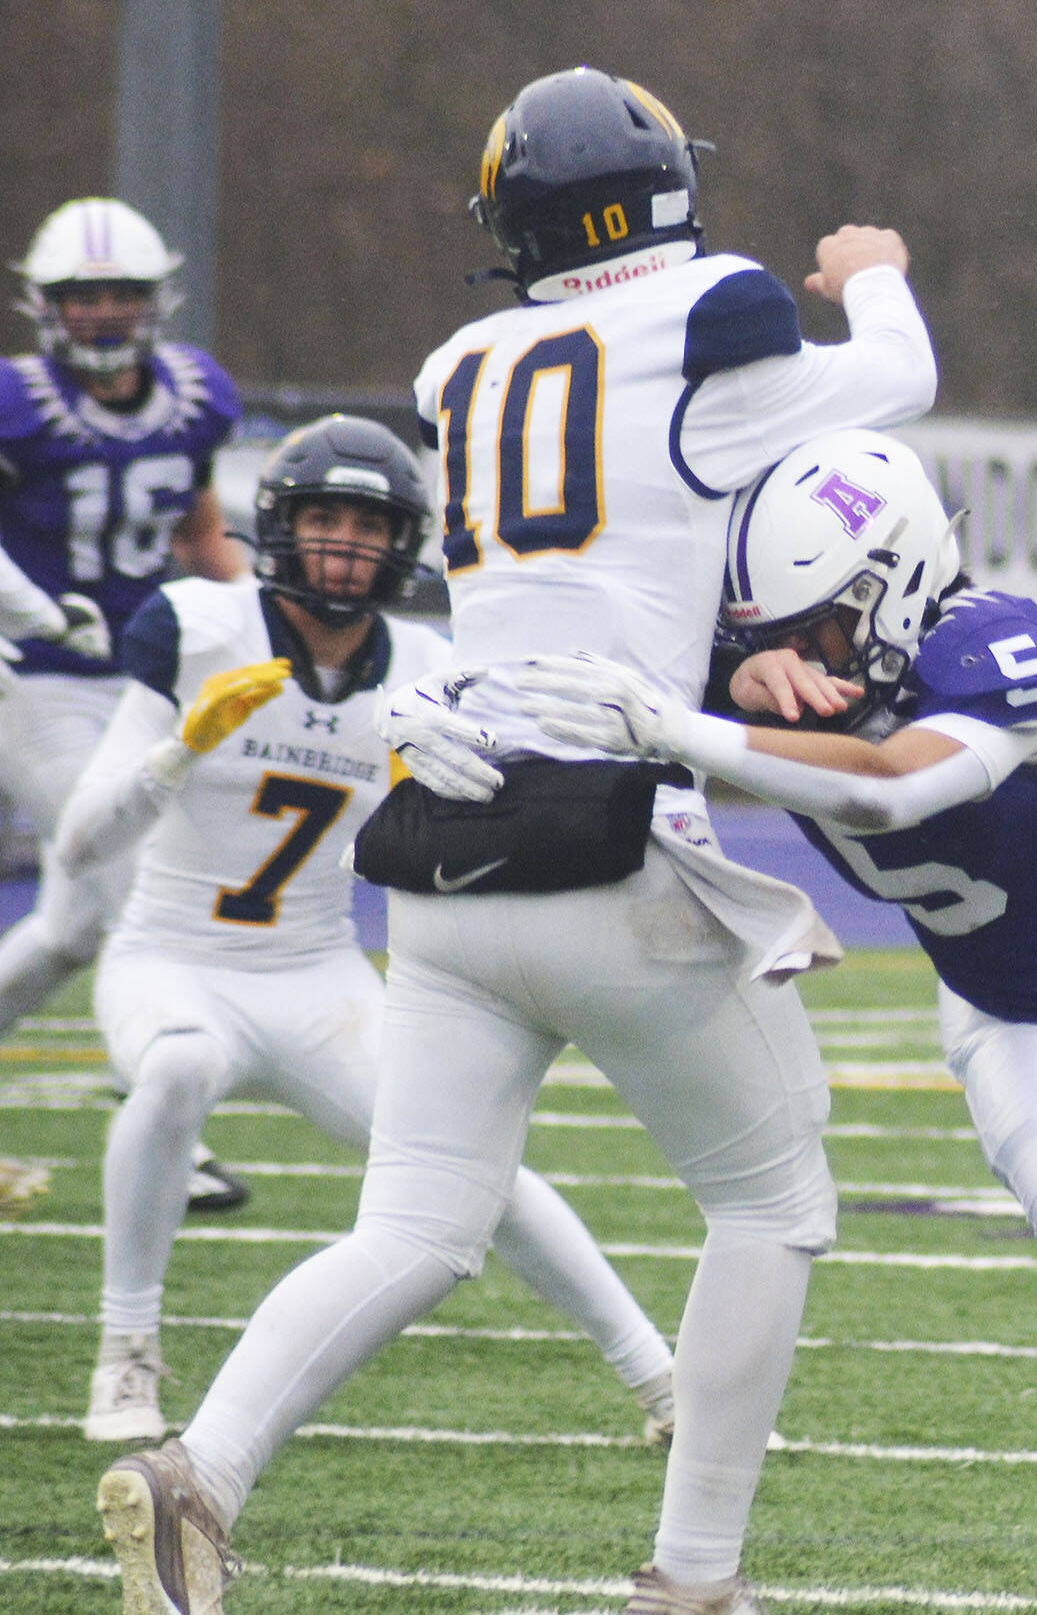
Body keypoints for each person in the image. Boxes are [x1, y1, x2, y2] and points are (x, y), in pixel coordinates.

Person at [94, 64, 938, 1615]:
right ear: (664, 189)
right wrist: (874, 276)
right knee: (773, 1204)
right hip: (609, 840)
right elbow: (898, 384)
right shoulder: (714, 312)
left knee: (413, 1224)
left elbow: (605, 556)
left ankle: (199, 1469)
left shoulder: (459, 361)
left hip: (440, 842)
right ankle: (694, 1576)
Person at [511, 424, 1037, 1542]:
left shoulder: (996, 644)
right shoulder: (762, 667)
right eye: (770, 635)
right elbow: (589, 641)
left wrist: (685, 723)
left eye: (814, 628)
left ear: (896, 577)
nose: (797, 657)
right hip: (1020, 1011)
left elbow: (883, 792)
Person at [60, 411, 677, 1452]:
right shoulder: (196, 624)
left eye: (368, 521)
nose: (344, 540)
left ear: (403, 542)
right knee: (176, 1068)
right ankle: (127, 1344)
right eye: (323, 516)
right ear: (279, 524)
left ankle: (661, 1377)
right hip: (171, 960)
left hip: (316, 975)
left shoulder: (426, 662)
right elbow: (78, 845)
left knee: (475, 1165)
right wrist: (180, 747)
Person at [0, 198, 249, 1211]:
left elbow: (199, 538)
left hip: (140, 677)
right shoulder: (16, 403)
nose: (102, 312)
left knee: (66, 930)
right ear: (46, 305)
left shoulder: (195, 396)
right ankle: (167, 1129)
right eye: (82, 295)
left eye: (120, 294)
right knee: (138, 884)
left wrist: (261, 614)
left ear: (156, 301)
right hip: (33, 675)